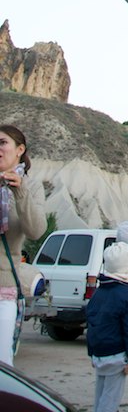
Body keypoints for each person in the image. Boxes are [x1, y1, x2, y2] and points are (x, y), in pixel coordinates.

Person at [0, 124, 47, 364]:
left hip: (5, 286)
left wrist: (20, 193)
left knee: (3, 362)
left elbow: (36, 230)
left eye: (2, 142)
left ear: (20, 149)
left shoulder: (31, 187)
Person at [86, 240, 128, 412]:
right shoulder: (126, 294)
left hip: (99, 354)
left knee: (100, 397)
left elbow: (91, 323)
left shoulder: (98, 294)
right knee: (110, 401)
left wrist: (91, 351)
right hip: (117, 356)